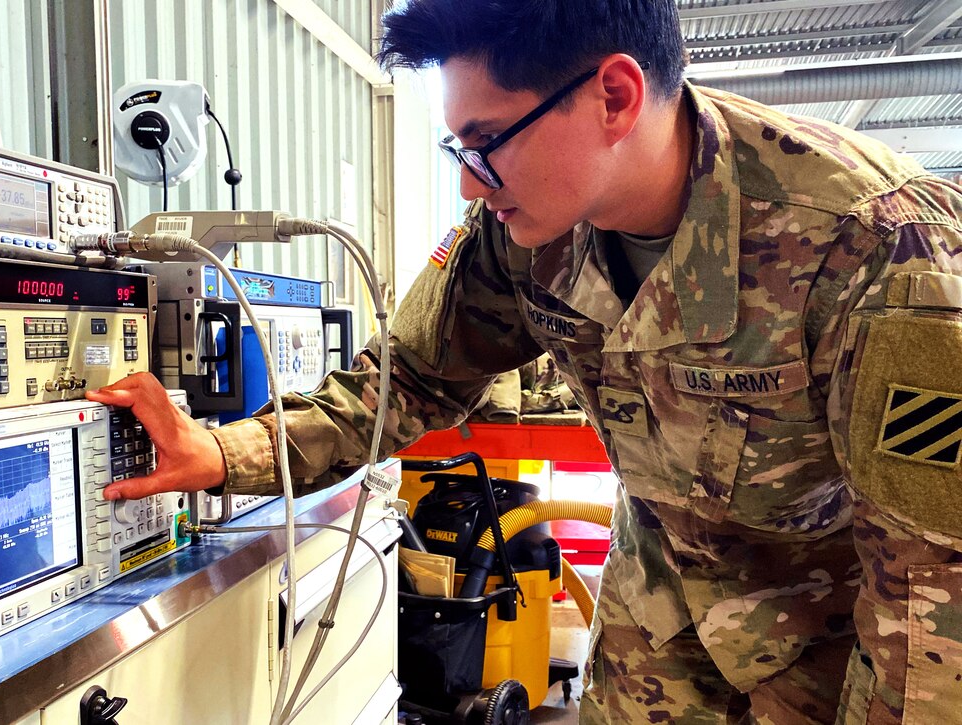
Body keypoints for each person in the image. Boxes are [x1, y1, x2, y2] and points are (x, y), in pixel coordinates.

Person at [87, 1, 962, 722]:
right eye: (456, 147)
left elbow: (933, 600)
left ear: (615, 96)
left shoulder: (876, 250)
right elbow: (415, 377)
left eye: (488, 139)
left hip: (840, 645)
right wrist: (226, 452)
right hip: (657, 622)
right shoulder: (524, 232)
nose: (469, 181)